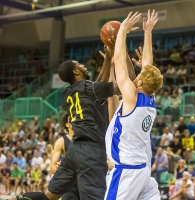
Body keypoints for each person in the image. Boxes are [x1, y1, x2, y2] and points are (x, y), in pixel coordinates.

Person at [14, 18, 122, 200]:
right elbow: (111, 87)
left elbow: (98, 87)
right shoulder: (88, 89)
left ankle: (18, 199)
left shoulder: (69, 92)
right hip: (91, 151)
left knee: (50, 196)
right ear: (75, 72)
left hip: (73, 151)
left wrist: (109, 60)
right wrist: (113, 59)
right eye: (79, 64)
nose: (83, 65)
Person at [105, 10, 162, 199]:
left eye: (138, 77)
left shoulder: (132, 98)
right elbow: (148, 64)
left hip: (126, 173)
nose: (136, 76)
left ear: (139, 83)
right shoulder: (151, 97)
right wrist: (148, 32)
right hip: (143, 171)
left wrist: (122, 31)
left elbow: (120, 62)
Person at [49, 113, 79, 199]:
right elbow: (52, 168)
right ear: (67, 124)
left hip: (84, 182)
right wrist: (63, 169)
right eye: (72, 119)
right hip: (70, 185)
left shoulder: (85, 140)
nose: (75, 121)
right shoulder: (61, 141)